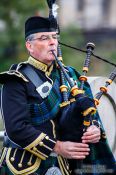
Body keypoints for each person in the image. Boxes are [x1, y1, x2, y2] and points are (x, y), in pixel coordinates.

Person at [0, 16, 114, 175]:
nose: (52, 42)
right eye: (44, 38)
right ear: (29, 46)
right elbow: (16, 128)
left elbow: (89, 110)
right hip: (25, 167)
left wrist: (94, 128)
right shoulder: (16, 80)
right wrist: (58, 147)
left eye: (54, 37)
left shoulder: (71, 76)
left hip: (65, 166)